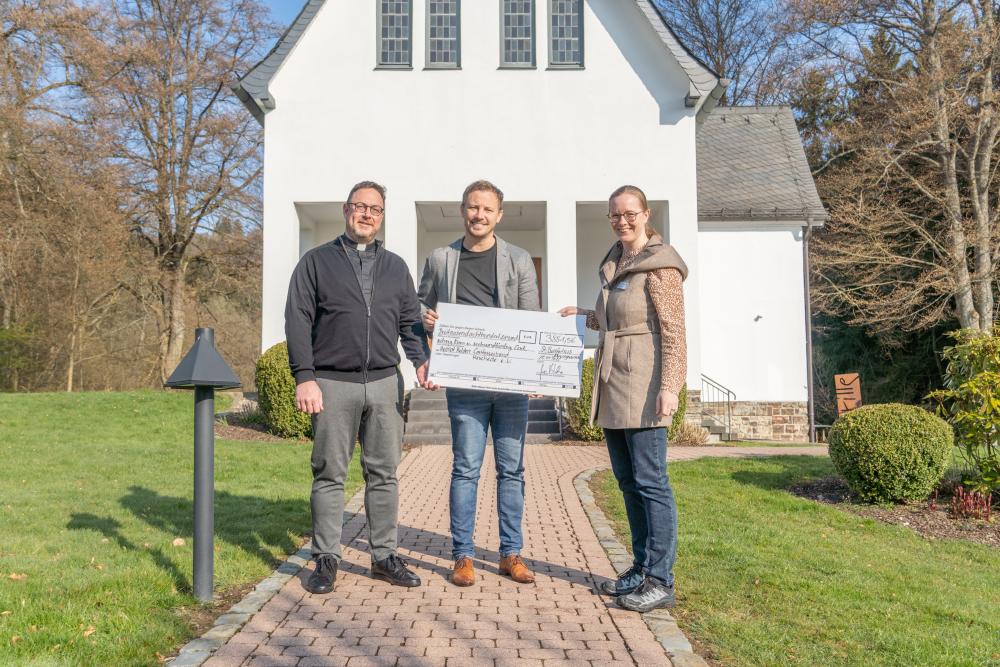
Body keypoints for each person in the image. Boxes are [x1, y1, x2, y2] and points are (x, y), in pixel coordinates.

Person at [286, 180, 431, 594]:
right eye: (360, 206)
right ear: (346, 210)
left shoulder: (396, 267)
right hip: (332, 383)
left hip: (385, 383)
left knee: (384, 474)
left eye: (375, 209)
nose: (367, 214)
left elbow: (409, 322)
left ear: (382, 216)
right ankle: (326, 558)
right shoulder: (315, 263)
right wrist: (305, 377)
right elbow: (297, 320)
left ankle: (385, 557)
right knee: (330, 473)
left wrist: (421, 361)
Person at [559, 185, 688, 612]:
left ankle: (660, 578)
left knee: (651, 482)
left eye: (630, 213)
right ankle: (640, 566)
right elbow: (615, 318)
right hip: (614, 381)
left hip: (646, 383)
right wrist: (584, 315)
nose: (622, 221)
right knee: (628, 481)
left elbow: (673, 332)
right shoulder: (615, 263)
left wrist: (671, 386)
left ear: (645, 214)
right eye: (615, 215)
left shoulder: (661, 266)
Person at [418, 180, 540, 587]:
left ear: (498, 215)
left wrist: (534, 372)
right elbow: (417, 306)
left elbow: (530, 320)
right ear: (463, 210)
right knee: (466, 469)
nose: (479, 215)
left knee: (511, 471)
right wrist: (425, 321)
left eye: (487, 209)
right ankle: (463, 556)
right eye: (473, 208)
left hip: (509, 386)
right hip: (464, 386)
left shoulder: (519, 260)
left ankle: (511, 553)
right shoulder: (441, 259)